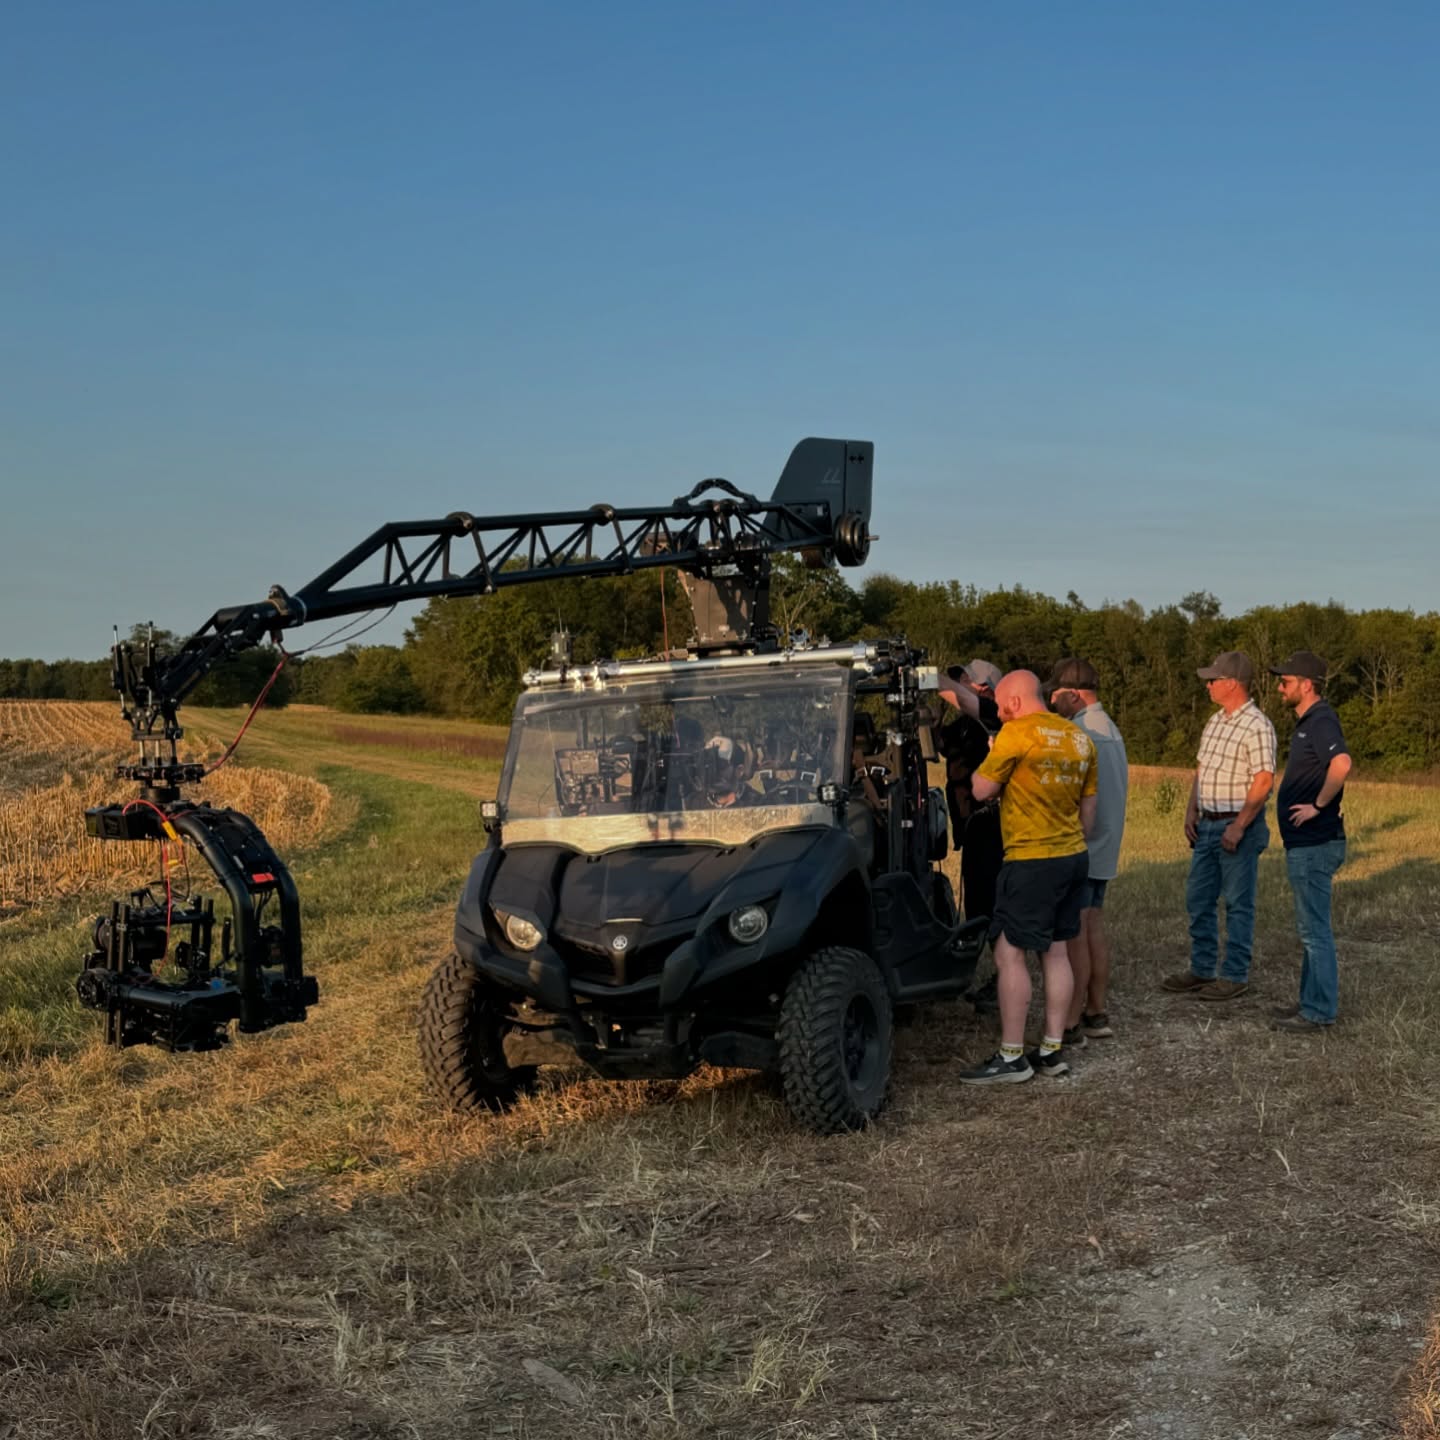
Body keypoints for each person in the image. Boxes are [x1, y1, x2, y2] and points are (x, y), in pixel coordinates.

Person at [957, 670, 1097, 1085]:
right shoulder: (1078, 738)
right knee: (1055, 952)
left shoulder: (1015, 735)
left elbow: (980, 790)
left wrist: (992, 752)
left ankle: (1012, 1056)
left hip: (1030, 859)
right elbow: (1089, 819)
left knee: (1008, 952)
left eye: (1000, 706)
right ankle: (1052, 1049)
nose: (999, 713)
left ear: (1014, 702)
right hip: (1073, 856)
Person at [1162, 651, 1276, 1001]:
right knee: (1198, 899)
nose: (1208, 685)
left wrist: (1239, 825)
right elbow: (1202, 770)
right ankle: (1202, 969)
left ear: (1232, 683)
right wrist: (1190, 811)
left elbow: (1263, 779)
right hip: (1207, 824)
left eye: (1213, 680)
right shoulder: (1215, 721)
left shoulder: (1257, 725)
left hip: (1235, 827)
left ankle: (1235, 975)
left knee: (1238, 904)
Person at [1045, 657, 1128, 1042]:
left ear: (1075, 695)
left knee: (1075, 931)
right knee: (1094, 926)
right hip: (1106, 847)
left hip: (1084, 845)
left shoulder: (1080, 735)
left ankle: (1070, 1020)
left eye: (1058, 694)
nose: (1052, 700)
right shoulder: (1109, 728)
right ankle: (1096, 1010)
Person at [1268, 650, 1351, 1033]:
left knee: (1314, 930)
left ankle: (1319, 1011)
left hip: (1315, 843)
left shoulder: (1320, 720)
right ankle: (1309, 1003)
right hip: (1307, 843)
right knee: (1309, 928)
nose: (1280, 686)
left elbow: (1342, 764)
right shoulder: (1309, 722)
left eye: (1285, 681)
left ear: (1307, 684)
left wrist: (1318, 805)